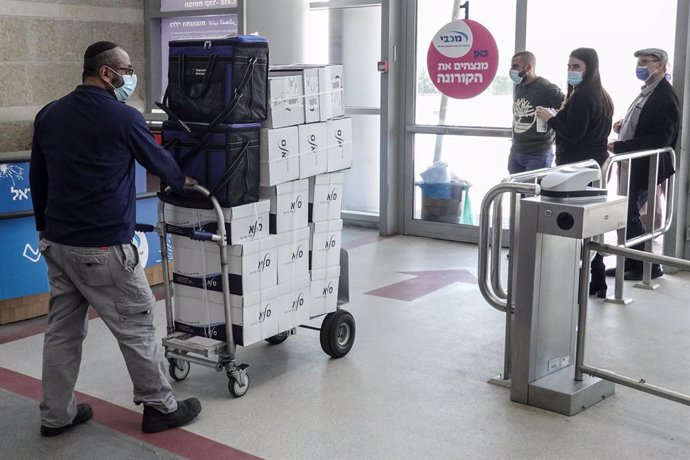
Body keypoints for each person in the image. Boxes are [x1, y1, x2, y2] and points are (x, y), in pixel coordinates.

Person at [30, 41, 201, 436]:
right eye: (126, 69)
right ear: (106, 73)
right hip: (104, 246)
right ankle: (160, 407)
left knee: (62, 333)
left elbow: (39, 177)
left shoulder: (49, 114)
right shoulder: (122, 118)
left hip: (58, 243)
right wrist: (186, 180)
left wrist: (44, 228)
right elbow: (158, 163)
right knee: (137, 325)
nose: (130, 76)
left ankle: (55, 416)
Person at [536, 47, 614, 298]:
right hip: (594, 165)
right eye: (569, 66)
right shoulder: (601, 95)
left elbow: (573, 133)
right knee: (590, 226)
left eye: (577, 67)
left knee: (574, 226)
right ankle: (596, 278)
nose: (571, 71)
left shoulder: (583, 96)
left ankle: (579, 279)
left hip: (577, 169)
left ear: (590, 68)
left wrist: (550, 118)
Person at [605, 48, 680, 281]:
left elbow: (661, 138)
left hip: (644, 165)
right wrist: (624, 125)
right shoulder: (647, 92)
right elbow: (644, 123)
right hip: (633, 163)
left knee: (629, 214)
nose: (640, 66)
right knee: (626, 213)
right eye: (639, 61)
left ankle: (647, 265)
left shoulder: (664, 96)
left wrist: (621, 147)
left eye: (646, 62)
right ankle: (631, 260)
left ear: (661, 65)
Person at [508, 51, 565, 174]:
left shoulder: (547, 88)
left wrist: (551, 118)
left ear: (528, 67)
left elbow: (567, 109)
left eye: (515, 66)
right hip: (516, 149)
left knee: (533, 191)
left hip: (537, 152)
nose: (511, 70)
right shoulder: (518, 86)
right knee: (515, 190)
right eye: (511, 66)